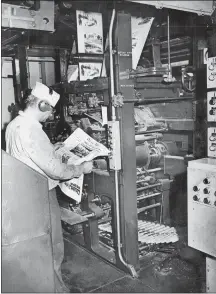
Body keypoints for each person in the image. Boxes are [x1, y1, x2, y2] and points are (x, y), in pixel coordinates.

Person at [5, 82, 93, 293]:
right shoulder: (31, 129)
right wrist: (81, 168)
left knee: (36, 249)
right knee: (52, 247)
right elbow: (56, 171)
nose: (51, 115)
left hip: (22, 195)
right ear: (42, 105)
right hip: (39, 196)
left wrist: (53, 148)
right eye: (51, 109)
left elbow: (29, 155)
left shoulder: (14, 125)